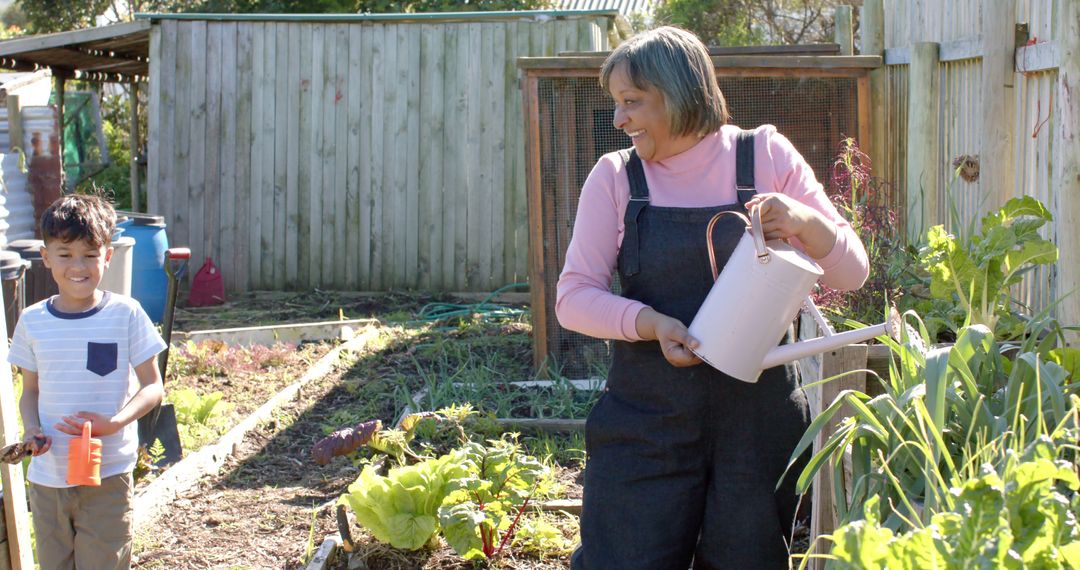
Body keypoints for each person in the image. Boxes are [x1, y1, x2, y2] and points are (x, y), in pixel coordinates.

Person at [556, 27, 869, 568]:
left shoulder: (765, 154)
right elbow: (573, 296)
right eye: (617, 104)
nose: (618, 119)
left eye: (632, 102)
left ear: (678, 93)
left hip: (758, 424)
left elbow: (853, 272)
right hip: (645, 420)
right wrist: (649, 322)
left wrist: (803, 221)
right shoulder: (615, 177)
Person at [10, 194, 167, 570]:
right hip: (49, 479)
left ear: (107, 257)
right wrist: (32, 429)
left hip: (108, 474)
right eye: (64, 254)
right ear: (46, 258)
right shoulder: (32, 321)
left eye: (89, 254)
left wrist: (113, 423)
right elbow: (29, 392)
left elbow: (152, 385)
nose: (77, 266)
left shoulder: (125, 314)